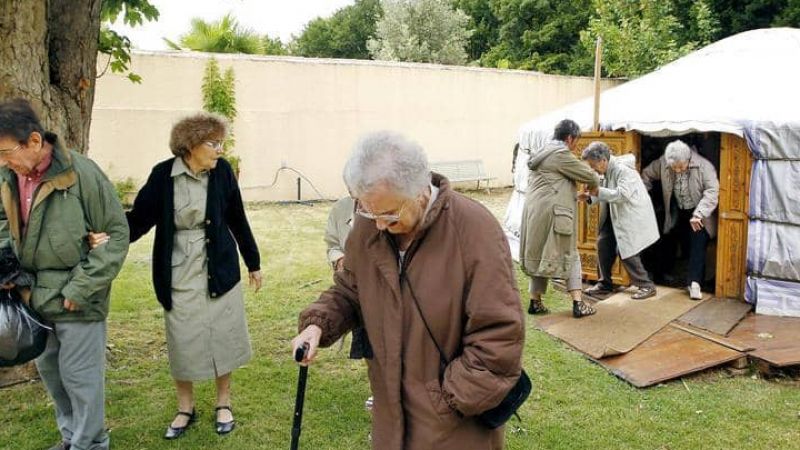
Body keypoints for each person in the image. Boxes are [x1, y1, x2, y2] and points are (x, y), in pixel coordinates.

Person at [292, 131, 524, 449]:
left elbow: (499, 338)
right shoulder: (369, 224)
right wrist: (318, 324)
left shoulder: (474, 231)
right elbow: (350, 289)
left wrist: (446, 400)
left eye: (389, 214)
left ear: (419, 192)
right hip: (390, 421)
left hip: (454, 428)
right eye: (367, 211)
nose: (378, 225)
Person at [0, 99, 130, 450]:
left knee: (81, 379)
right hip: (34, 298)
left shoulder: (83, 173)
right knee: (54, 376)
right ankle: (71, 437)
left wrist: (81, 288)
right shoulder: (8, 177)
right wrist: (6, 264)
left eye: (6, 151)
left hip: (77, 299)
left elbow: (116, 235)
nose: (3, 160)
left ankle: (90, 444)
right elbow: (2, 223)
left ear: (35, 141)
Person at [123, 113, 262, 438]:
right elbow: (139, 219)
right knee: (182, 336)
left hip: (219, 264)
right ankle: (185, 407)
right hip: (179, 269)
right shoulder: (163, 176)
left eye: (220, 143)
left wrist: (253, 261)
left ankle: (223, 402)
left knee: (223, 334)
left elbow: (237, 218)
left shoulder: (223, 172)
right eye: (214, 144)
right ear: (191, 146)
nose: (219, 150)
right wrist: (111, 235)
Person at [519, 119, 600, 318]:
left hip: (534, 213)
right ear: (569, 138)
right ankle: (578, 303)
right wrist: (594, 185)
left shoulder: (542, 151)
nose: (575, 147)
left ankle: (535, 301)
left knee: (540, 255)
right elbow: (590, 175)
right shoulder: (560, 154)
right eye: (575, 142)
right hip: (554, 214)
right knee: (570, 253)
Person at [579, 142, 659, 300]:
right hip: (614, 214)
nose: (592, 169)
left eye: (593, 165)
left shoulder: (623, 170)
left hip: (630, 215)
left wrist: (598, 191)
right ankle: (604, 284)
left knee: (626, 251)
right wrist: (590, 197)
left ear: (603, 160)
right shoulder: (607, 170)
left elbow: (622, 195)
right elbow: (603, 192)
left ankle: (647, 286)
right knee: (603, 245)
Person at [641, 140, 719, 300]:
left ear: (689, 159)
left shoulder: (704, 166)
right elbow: (646, 174)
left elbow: (712, 191)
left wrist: (699, 214)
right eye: (673, 167)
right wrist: (643, 197)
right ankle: (662, 274)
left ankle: (695, 283)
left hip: (700, 212)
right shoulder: (664, 162)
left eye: (680, 167)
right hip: (677, 210)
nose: (677, 170)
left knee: (697, 242)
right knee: (666, 237)